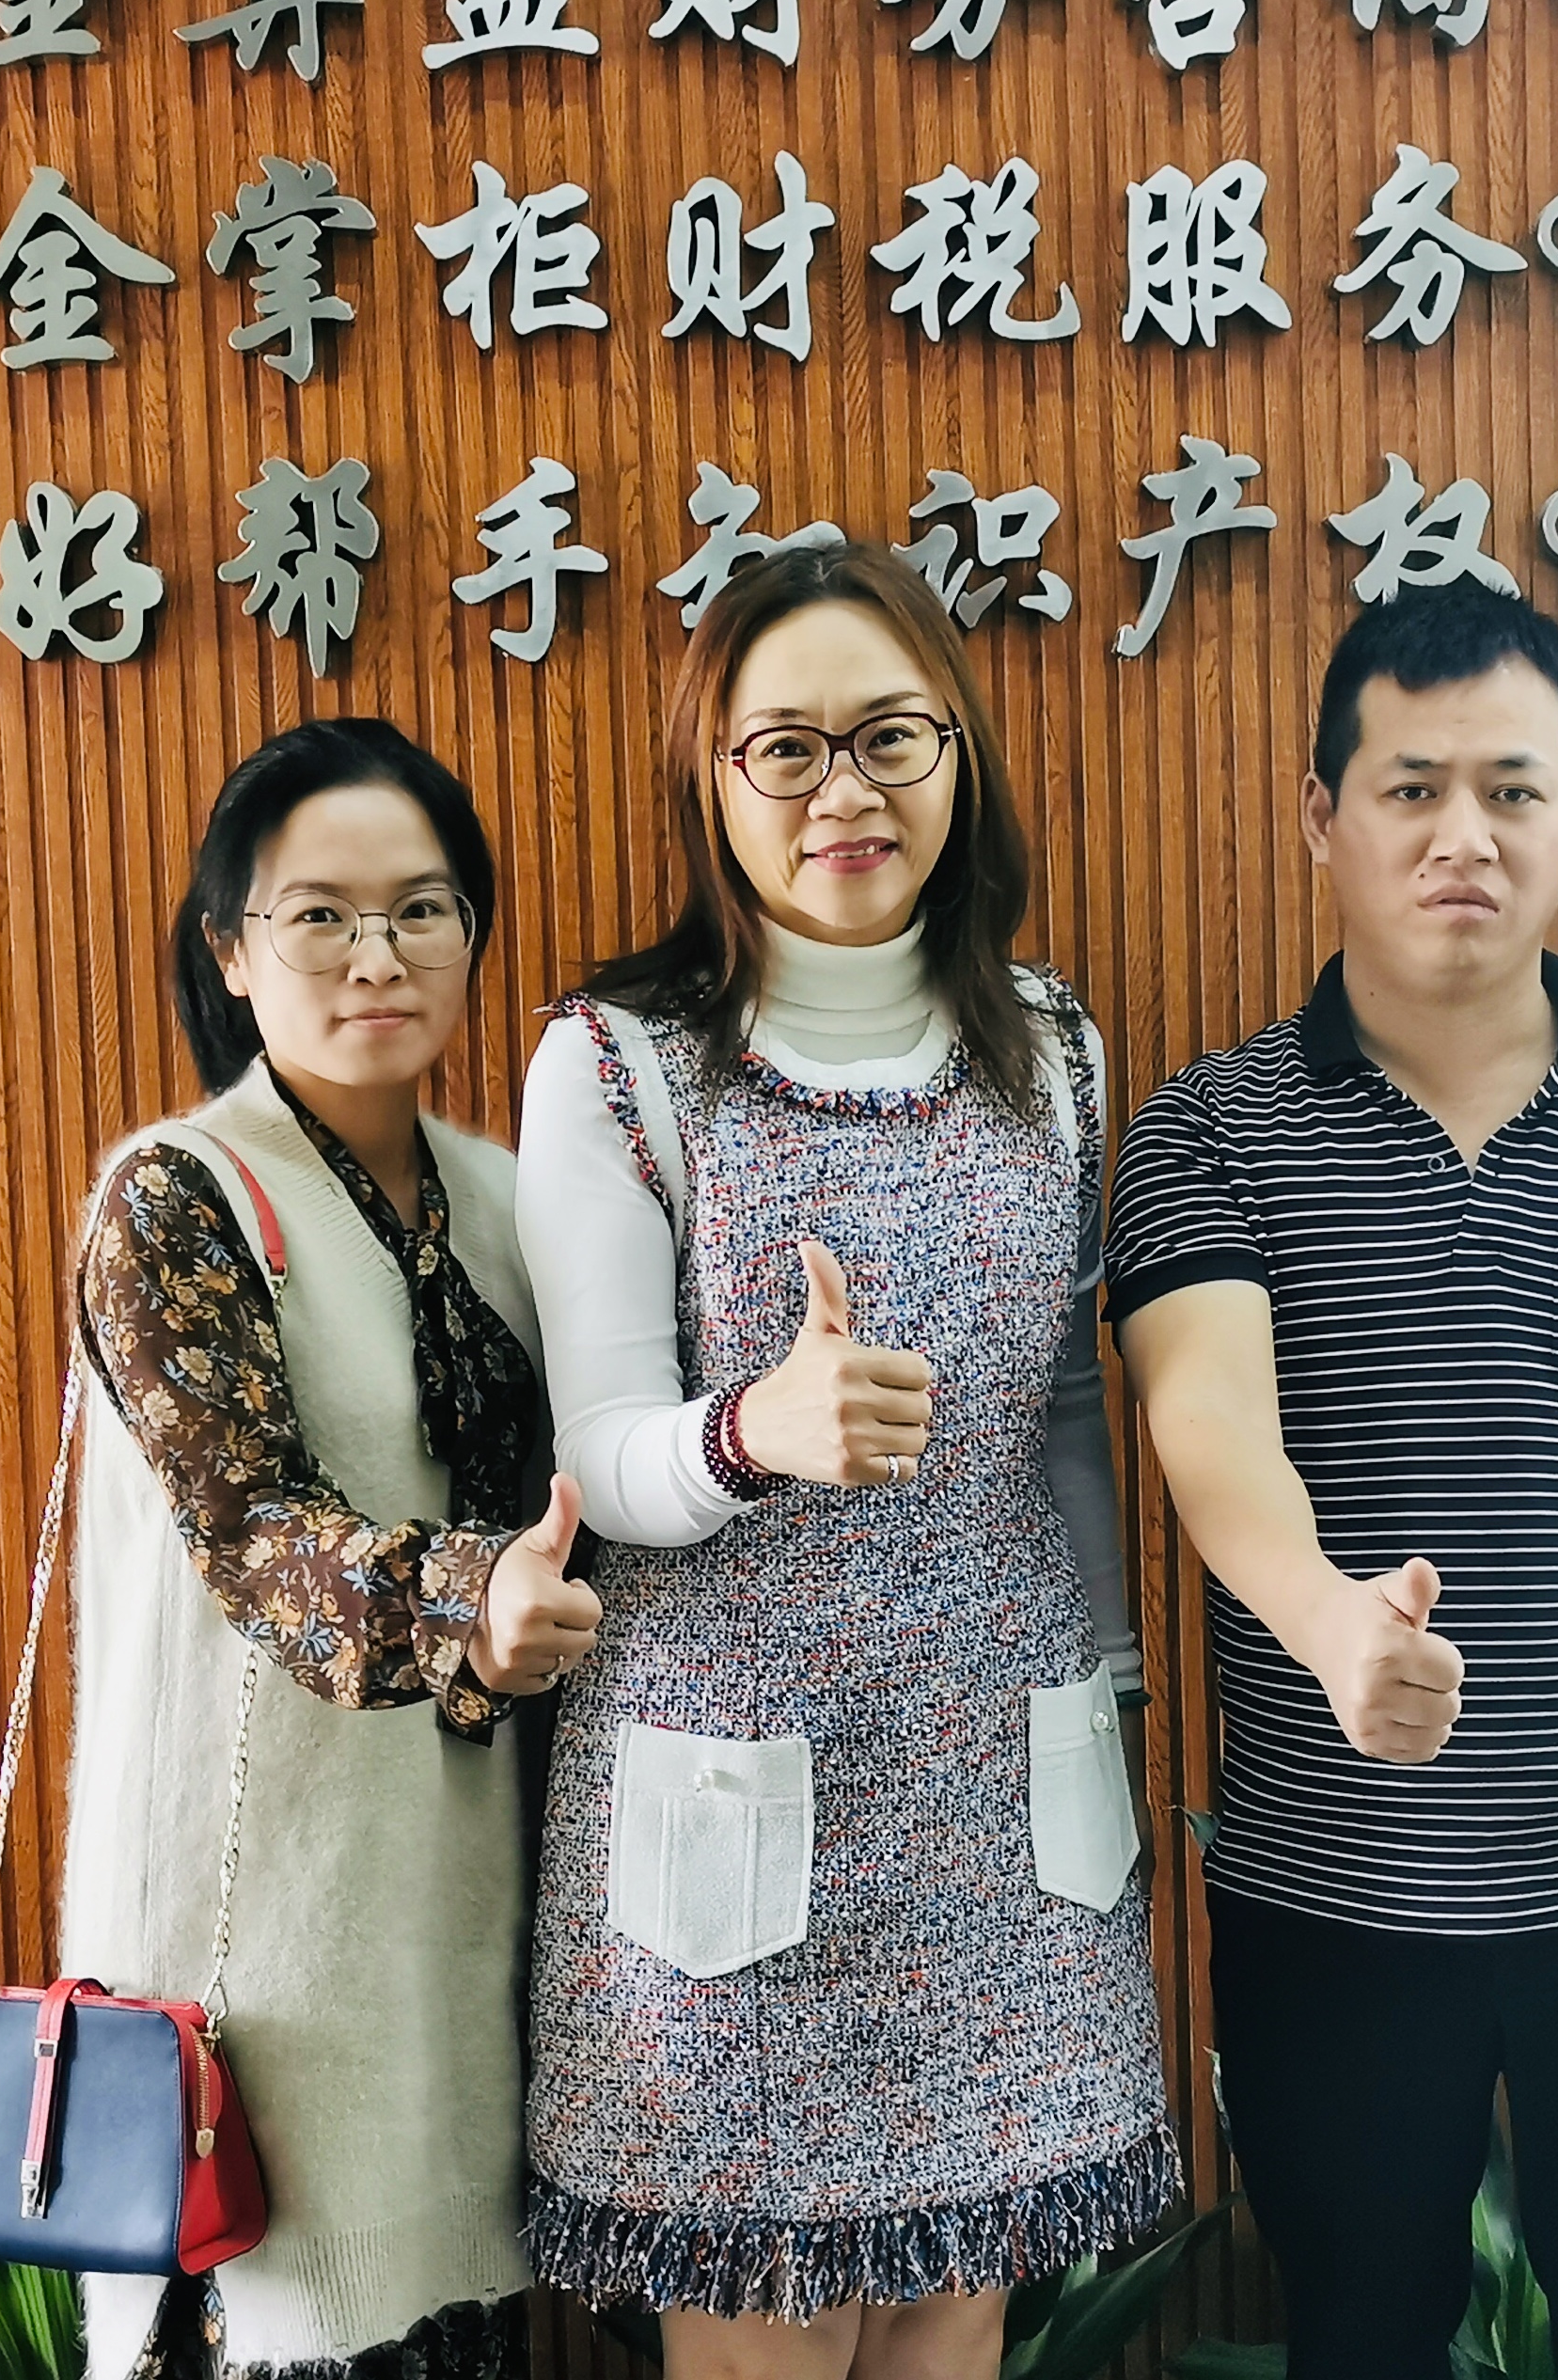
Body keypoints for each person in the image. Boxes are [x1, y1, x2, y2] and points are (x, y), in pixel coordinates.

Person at [1108, 580, 1558, 2380]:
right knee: (1359, 2339)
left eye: (1513, 789)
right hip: (1334, 1895)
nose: (1466, 836)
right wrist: (1332, 1626)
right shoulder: (1209, 1126)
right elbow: (1210, 1428)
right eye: (1413, 788)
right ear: (1323, 817)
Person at [514, 540, 1176, 2375]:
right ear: (711, 777)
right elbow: (600, 1453)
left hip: (1002, 1801)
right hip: (727, 1805)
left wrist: (1112, 1697)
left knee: (953, 2326)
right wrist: (760, 1428)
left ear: (957, 752)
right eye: (786, 749)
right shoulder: (618, 1062)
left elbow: (1059, 1413)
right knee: (765, 2341)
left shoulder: (1052, 1046)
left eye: (890, 736)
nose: (845, 793)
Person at [58, 717, 605, 2380]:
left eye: (422, 908)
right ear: (230, 948)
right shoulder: (176, 1196)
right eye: (319, 915)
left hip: (466, 1925)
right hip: (250, 1962)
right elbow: (253, 1530)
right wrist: (472, 1599)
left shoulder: (516, 1205)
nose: (379, 954)